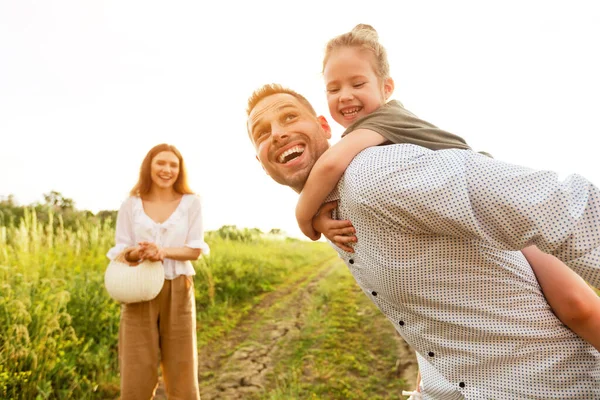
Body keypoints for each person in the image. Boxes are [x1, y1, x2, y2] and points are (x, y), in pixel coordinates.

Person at [245, 84, 600, 398]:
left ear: (324, 127)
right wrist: (432, 366)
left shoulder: (374, 175)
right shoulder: (330, 214)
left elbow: (559, 205)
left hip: (551, 383)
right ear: (260, 164)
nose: (277, 133)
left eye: (290, 117)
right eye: (262, 133)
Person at [294, 24, 600, 357]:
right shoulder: (363, 136)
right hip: (470, 219)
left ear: (386, 88)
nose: (345, 96)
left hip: (490, 207)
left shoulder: (380, 122)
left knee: (577, 305)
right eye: (333, 88)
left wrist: (304, 218)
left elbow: (327, 168)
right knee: (573, 304)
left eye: (358, 83)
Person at [106, 143, 209, 400]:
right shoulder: (131, 204)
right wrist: (139, 252)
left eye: (173, 165)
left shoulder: (191, 203)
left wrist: (162, 252)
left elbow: (195, 250)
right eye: (161, 163)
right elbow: (121, 248)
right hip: (138, 288)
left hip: (178, 286)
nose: (167, 169)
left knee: (182, 364)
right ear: (149, 167)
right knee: (136, 365)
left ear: (180, 170)